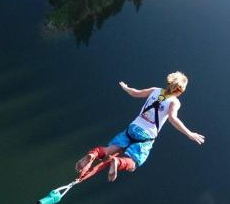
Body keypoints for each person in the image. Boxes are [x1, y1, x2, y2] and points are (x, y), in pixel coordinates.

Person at [76, 72, 205, 182]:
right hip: (146, 136)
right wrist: (189, 133)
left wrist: (126, 88)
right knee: (133, 163)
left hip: (133, 128)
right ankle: (117, 162)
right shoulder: (174, 102)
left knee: (111, 148)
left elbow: (136, 93)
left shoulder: (156, 90)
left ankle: (94, 154)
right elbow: (173, 119)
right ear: (180, 91)